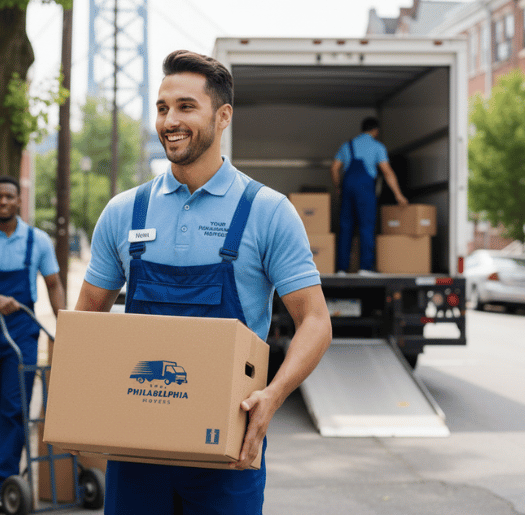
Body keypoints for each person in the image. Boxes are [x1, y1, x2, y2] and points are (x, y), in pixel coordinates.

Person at [75, 50, 332, 514]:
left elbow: (315, 321)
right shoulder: (123, 213)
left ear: (223, 115)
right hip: (137, 448)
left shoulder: (267, 211)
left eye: (186, 107)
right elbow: (87, 319)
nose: (170, 120)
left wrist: (272, 398)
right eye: (162, 107)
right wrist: (78, 409)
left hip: (227, 452)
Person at [0, 175, 64, 509]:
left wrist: (68, 327)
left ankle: (3, 481)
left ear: (19, 201)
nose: (3, 202)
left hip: (22, 333)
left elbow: (53, 284)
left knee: (14, 405)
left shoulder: (38, 241)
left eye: (9, 196)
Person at [331, 117, 408, 272]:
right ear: (375, 130)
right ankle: (365, 268)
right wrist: (398, 194)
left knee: (346, 227)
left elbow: (334, 168)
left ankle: (341, 269)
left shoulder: (348, 145)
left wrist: (339, 187)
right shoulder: (377, 147)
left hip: (348, 187)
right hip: (365, 189)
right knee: (366, 226)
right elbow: (387, 172)